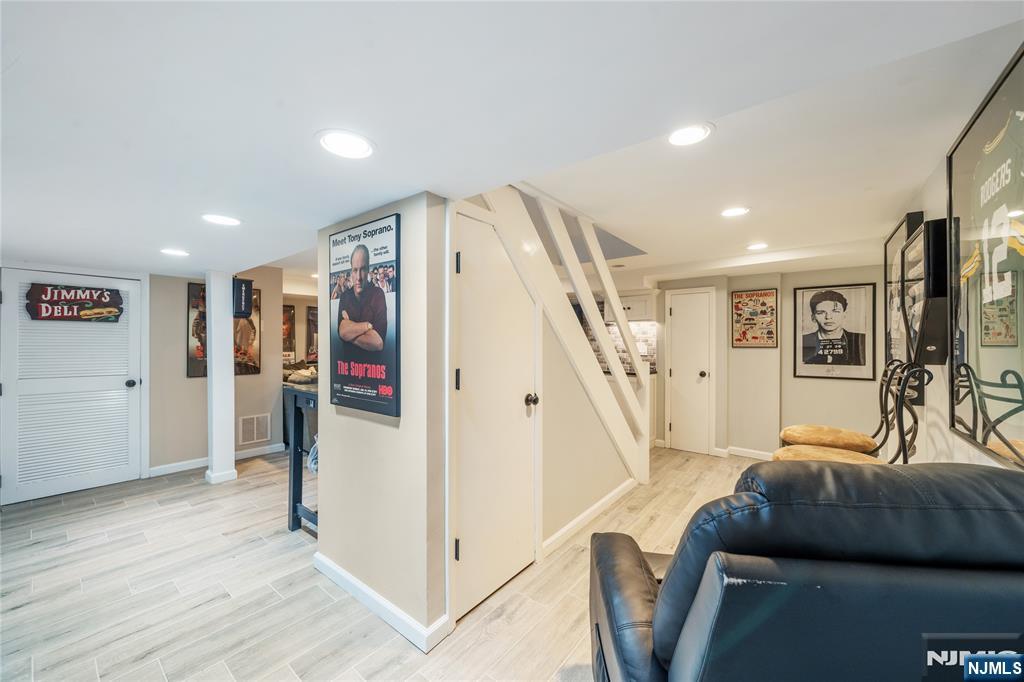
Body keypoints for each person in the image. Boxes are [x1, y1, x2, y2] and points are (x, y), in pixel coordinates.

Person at [337, 244, 386, 362]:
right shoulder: (345, 297)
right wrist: (366, 327)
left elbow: (378, 343)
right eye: (355, 270)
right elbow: (342, 331)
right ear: (351, 272)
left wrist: (350, 333)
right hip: (348, 373)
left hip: (373, 374)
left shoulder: (378, 295)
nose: (358, 277)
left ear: (368, 270)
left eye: (362, 269)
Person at [802, 289, 866, 365]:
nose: (828, 317)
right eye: (821, 312)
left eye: (835, 311)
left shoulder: (861, 340)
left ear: (844, 314)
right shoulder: (802, 341)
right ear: (813, 317)